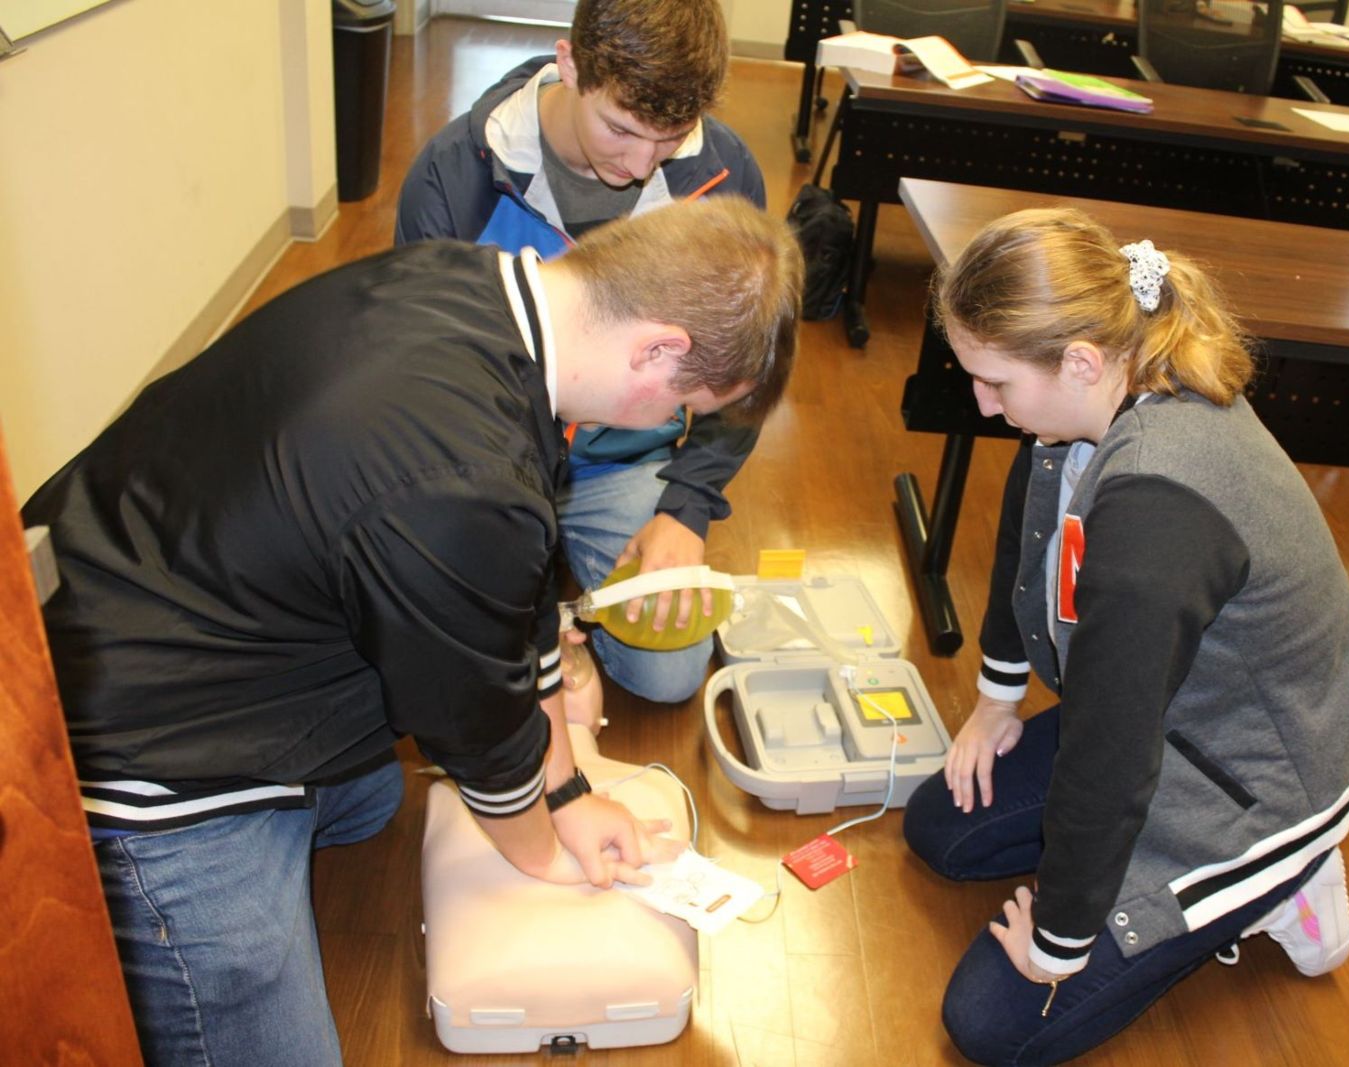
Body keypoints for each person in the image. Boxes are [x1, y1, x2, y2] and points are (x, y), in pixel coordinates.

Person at [23, 197, 802, 1067]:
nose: (669, 424)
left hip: (140, 581)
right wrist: (544, 847)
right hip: (129, 742)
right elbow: (477, 726)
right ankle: (120, 876)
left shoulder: (485, 293)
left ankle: (280, 818)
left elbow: (518, 607)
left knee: (373, 802)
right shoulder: (462, 476)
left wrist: (572, 791)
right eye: (686, 404)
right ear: (660, 347)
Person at [900, 208, 1349, 1065]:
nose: (981, 402)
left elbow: (1110, 749)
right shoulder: (1100, 389)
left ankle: (1287, 879)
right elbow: (1031, 525)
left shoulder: (1158, 509)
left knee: (991, 1021)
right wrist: (995, 700)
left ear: (1078, 361)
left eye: (996, 383)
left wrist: (1057, 940)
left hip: (1261, 778)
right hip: (1174, 712)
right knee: (943, 826)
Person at [395, 0, 765, 705]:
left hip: (620, 459)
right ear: (569, 64)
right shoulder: (452, 176)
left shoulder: (724, 176)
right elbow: (420, 388)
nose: (639, 164)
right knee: (444, 671)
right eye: (620, 129)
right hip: (488, 470)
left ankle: (574, 562)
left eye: (671, 139)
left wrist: (685, 508)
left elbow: (738, 366)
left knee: (670, 674)